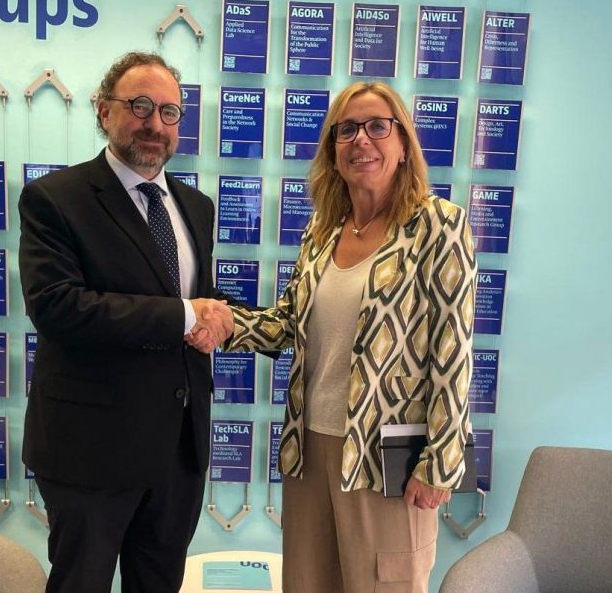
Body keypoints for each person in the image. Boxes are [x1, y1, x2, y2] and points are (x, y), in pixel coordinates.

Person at [192, 81, 477, 593]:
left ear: (403, 144)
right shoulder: (322, 231)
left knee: (383, 585)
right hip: (310, 449)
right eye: (346, 130)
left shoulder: (439, 225)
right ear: (332, 150)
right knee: (307, 583)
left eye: (377, 126)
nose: (361, 139)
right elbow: (288, 322)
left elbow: (452, 351)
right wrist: (227, 322)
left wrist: (441, 461)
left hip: (388, 456)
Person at [18, 51, 233, 593]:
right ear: (104, 111)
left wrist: (223, 318)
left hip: (177, 451)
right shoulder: (55, 199)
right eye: (140, 106)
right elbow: (58, 306)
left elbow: (191, 295)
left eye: (169, 111)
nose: (155, 124)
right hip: (89, 451)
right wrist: (188, 314)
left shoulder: (197, 206)